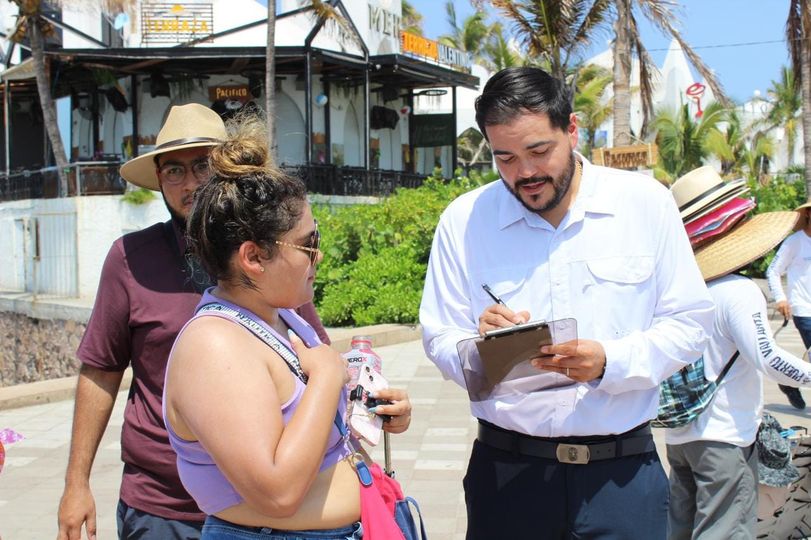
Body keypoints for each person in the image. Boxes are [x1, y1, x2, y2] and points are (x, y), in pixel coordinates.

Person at [419, 66, 714, 539]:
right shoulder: (464, 221)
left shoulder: (644, 205)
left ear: (572, 129)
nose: (526, 173)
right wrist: (482, 348)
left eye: (539, 151)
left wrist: (608, 361)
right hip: (507, 477)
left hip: (622, 478)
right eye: (505, 158)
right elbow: (439, 335)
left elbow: (690, 323)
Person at [56, 104, 330, 540]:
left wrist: (366, 398)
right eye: (174, 171)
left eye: (202, 165)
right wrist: (76, 484)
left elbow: (315, 354)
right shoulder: (130, 259)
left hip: (256, 508)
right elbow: (100, 372)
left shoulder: (269, 254)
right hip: (162, 504)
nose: (189, 184)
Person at [162, 114, 412, 539]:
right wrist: (328, 377)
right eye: (308, 244)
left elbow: (305, 433)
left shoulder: (280, 316)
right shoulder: (214, 348)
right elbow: (276, 492)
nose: (318, 256)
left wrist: (372, 410)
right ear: (254, 258)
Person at [665, 166, 811, 540]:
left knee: (682, 529)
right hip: (724, 436)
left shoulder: (678, 292)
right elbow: (768, 357)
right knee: (726, 531)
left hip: (680, 437)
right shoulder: (738, 292)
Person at [765, 199, 811, 410]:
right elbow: (773, 271)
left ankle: (788, 380)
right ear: (808, 214)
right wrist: (781, 298)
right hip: (804, 309)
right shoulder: (795, 242)